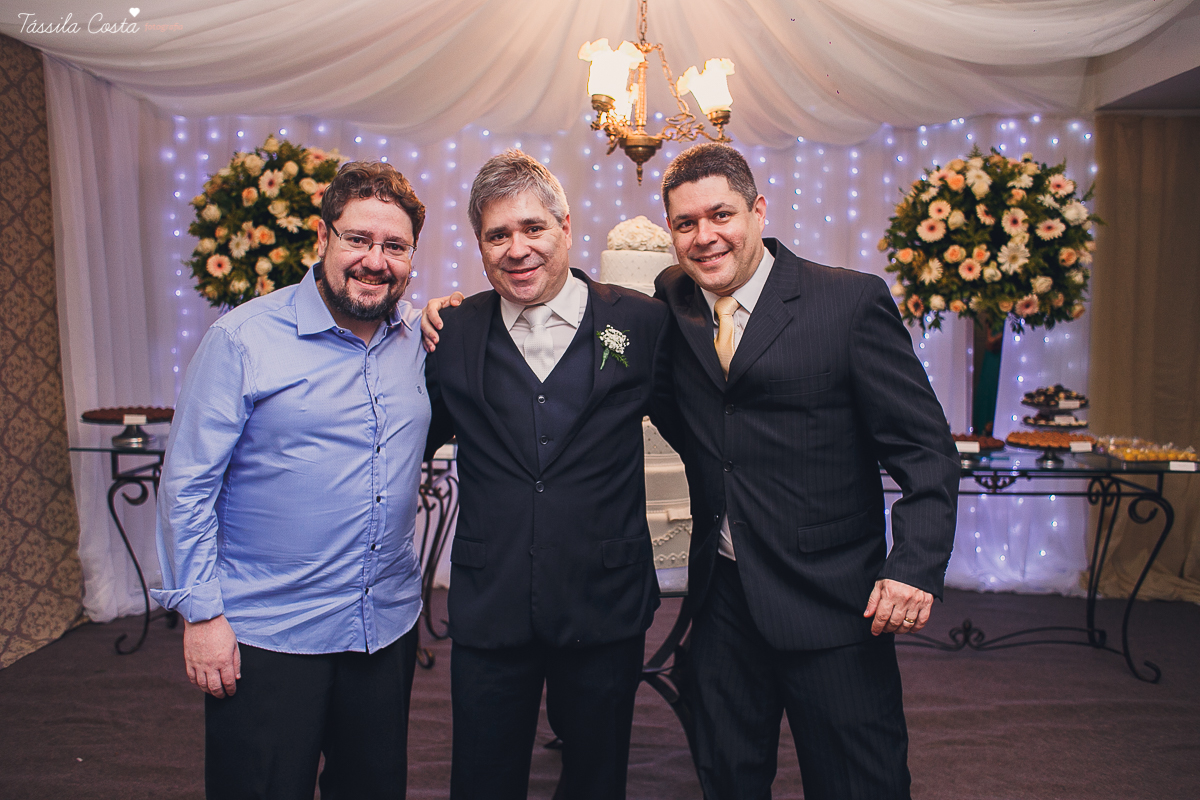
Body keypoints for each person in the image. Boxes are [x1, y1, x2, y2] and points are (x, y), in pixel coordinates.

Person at [653, 143, 959, 800]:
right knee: (727, 779)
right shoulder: (673, 297)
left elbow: (926, 450)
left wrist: (912, 567)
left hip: (835, 604)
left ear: (758, 210)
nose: (704, 237)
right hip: (723, 601)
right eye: (685, 224)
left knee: (859, 783)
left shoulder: (848, 303)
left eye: (721, 215)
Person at [152, 161, 430, 800]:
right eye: (358, 239)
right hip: (268, 631)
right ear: (323, 237)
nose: (374, 260)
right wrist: (201, 615)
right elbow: (187, 485)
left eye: (394, 246)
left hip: (381, 627)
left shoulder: (418, 338)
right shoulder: (242, 339)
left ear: (411, 256)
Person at [422, 149, 673, 800]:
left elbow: (705, 435)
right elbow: (407, 438)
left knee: (596, 778)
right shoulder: (452, 330)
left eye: (533, 228)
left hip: (605, 598)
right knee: (481, 777)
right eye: (497, 234)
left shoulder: (638, 323)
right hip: (491, 598)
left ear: (566, 226)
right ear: (479, 244)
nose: (517, 248)